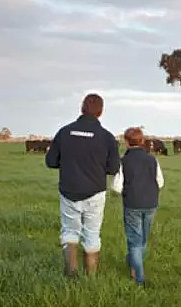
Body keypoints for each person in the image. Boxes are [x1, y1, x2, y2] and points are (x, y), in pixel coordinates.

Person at [45, 93, 120, 277]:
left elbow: (51, 162)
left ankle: (71, 273)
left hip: (69, 190)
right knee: (92, 233)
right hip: (95, 193)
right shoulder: (107, 137)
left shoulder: (64, 132)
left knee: (70, 231)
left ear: (81, 108)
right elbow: (113, 168)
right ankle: (91, 277)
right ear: (100, 112)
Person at [112, 127, 164, 286]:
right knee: (142, 239)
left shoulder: (123, 161)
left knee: (135, 241)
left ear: (126, 142)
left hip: (132, 204)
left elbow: (116, 187)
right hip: (151, 204)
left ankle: (139, 278)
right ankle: (133, 264)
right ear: (142, 141)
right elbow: (160, 183)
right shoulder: (153, 160)